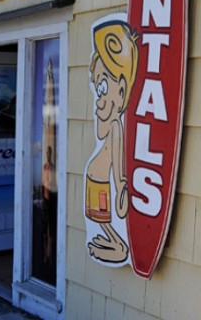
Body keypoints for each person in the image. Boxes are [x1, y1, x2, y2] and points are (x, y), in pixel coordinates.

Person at [85, 20, 138, 263]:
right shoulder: (109, 122)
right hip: (96, 180)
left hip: (101, 181)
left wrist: (121, 189)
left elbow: (118, 162)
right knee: (100, 219)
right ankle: (114, 244)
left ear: (122, 90)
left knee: (103, 219)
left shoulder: (117, 126)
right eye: (97, 87)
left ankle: (119, 248)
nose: (99, 96)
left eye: (104, 86)